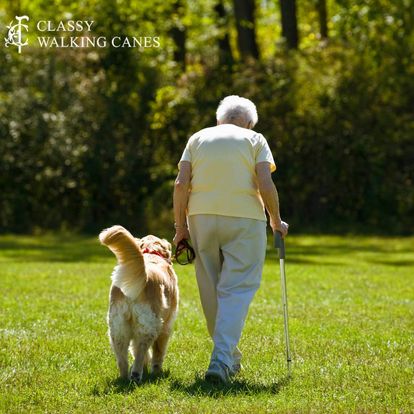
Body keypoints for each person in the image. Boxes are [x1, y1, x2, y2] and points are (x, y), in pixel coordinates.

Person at [173, 95, 289, 384]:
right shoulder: (255, 139)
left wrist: (180, 227)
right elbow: (265, 182)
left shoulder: (198, 138)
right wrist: (275, 219)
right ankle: (222, 359)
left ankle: (228, 357)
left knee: (210, 287)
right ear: (249, 122)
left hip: (200, 217)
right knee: (236, 288)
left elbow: (180, 184)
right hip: (245, 219)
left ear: (218, 120)